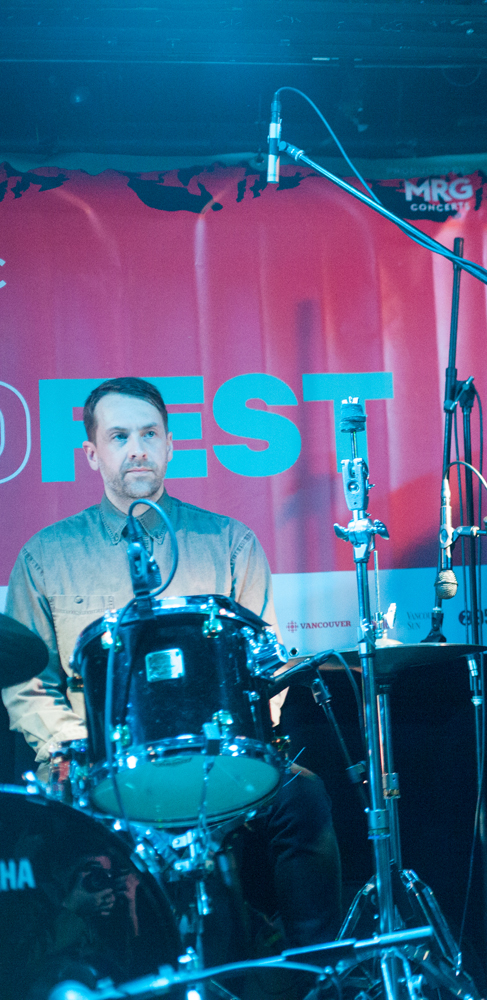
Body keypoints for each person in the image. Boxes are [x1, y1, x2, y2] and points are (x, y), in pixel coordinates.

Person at [2, 376, 342, 949]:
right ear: (92, 454)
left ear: (170, 445)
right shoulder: (46, 555)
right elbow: (26, 685)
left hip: (217, 760)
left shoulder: (230, 542)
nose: (136, 448)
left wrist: (241, 738)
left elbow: (267, 668)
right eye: (118, 436)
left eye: (148, 434)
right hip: (100, 768)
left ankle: (312, 969)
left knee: (302, 795)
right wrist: (71, 746)